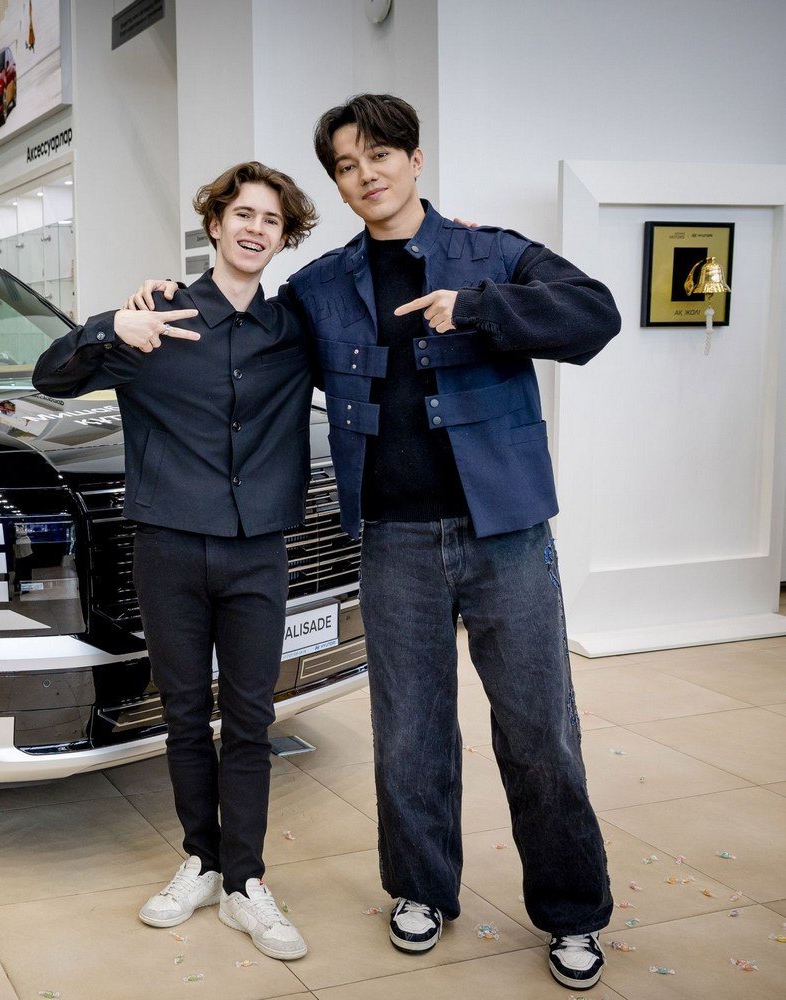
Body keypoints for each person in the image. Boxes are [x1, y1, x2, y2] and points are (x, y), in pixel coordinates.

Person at [129, 94, 621, 991]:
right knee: (409, 732)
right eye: (348, 166)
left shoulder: (493, 253)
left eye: (381, 156)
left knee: (539, 729)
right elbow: (243, 331)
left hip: (507, 532)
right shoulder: (321, 287)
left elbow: (594, 316)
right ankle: (422, 890)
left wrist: (479, 310)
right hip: (393, 540)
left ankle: (572, 910)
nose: (367, 176)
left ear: (414, 159)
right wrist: (149, 307)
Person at [34, 162, 318, 962]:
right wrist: (108, 328)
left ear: (283, 237)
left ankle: (246, 883)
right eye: (243, 214)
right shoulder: (155, 318)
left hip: (258, 550)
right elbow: (49, 377)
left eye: (271, 220)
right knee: (185, 715)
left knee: (253, 720)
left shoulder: (294, 331)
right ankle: (202, 861)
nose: (256, 229)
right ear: (215, 223)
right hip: (168, 546)